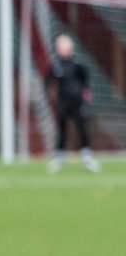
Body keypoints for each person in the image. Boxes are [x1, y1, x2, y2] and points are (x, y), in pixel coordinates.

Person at [45, 34, 98, 173]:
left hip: (78, 101)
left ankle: (87, 157)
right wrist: (48, 95)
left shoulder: (77, 62)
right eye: (60, 45)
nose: (63, 48)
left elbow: (85, 80)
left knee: (82, 128)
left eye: (65, 45)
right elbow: (48, 81)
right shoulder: (56, 64)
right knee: (62, 129)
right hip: (63, 102)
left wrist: (87, 93)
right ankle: (59, 158)